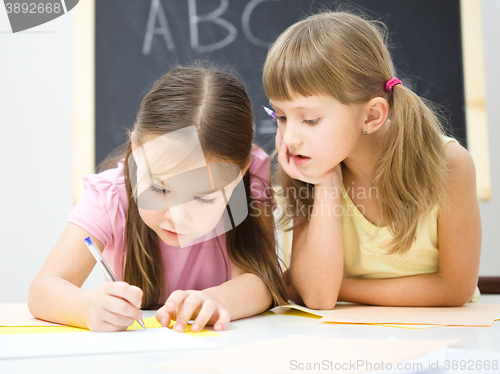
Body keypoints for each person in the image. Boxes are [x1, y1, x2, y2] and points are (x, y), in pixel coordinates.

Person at [29, 65, 288, 332]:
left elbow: (261, 280)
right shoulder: (111, 195)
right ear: (137, 151)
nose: (177, 216)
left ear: (240, 173)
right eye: (160, 189)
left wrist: (217, 300)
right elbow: (43, 289)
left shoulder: (251, 179)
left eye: (203, 198)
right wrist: (86, 307)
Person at [262, 11, 481, 309]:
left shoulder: (449, 163)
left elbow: (455, 289)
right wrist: (326, 183)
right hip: (350, 338)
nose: (288, 139)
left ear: (372, 115)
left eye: (310, 120)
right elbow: (317, 296)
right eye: (281, 117)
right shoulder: (312, 169)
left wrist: (342, 287)